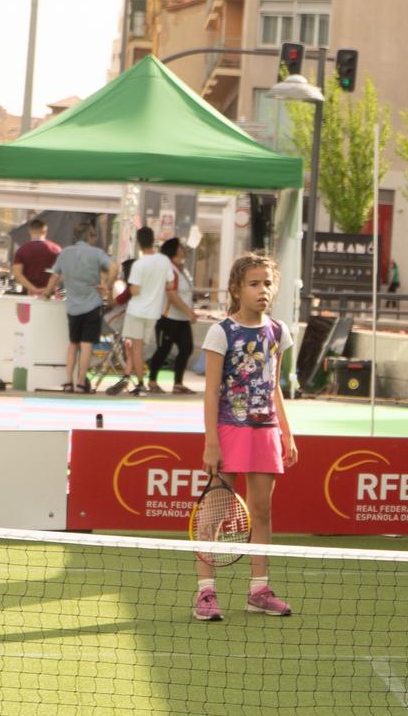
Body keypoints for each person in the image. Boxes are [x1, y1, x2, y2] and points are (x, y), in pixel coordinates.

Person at [196, 251, 298, 622]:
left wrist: (287, 432)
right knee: (215, 515)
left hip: (265, 433)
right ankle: (205, 593)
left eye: (268, 283)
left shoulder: (278, 331)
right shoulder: (220, 332)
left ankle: (259, 590)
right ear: (237, 289)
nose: (262, 291)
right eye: (254, 284)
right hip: (228, 431)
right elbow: (210, 392)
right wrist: (211, 441)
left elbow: (274, 387)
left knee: (262, 512)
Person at [48, 220, 115, 393]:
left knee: (72, 344)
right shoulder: (96, 253)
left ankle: (68, 382)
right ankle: (80, 383)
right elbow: (115, 267)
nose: (95, 239)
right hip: (92, 305)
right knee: (86, 346)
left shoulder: (65, 253)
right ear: (88, 236)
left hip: (72, 306)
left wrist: (47, 292)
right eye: (94, 236)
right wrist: (107, 284)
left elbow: (54, 276)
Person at [121, 227, 170, 397]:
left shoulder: (139, 264)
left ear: (139, 243)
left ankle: (140, 384)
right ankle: (132, 379)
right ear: (153, 239)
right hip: (153, 313)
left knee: (136, 349)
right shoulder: (164, 261)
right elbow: (170, 284)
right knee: (140, 349)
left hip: (136, 311)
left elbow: (134, 290)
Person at [147, 238, 197, 394]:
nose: (184, 249)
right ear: (175, 250)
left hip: (181, 319)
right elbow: (172, 295)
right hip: (168, 317)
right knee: (163, 349)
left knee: (186, 348)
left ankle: (178, 383)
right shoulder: (169, 269)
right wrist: (189, 312)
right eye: (181, 246)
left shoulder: (182, 269)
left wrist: (188, 311)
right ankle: (152, 381)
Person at [13, 218, 62, 297]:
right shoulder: (56, 249)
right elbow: (63, 273)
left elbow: (17, 274)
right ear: (45, 231)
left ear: (29, 231)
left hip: (28, 295)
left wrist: (33, 289)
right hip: (50, 295)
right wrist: (48, 289)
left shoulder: (22, 250)